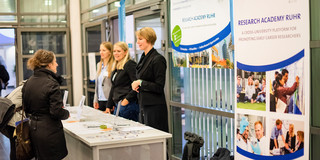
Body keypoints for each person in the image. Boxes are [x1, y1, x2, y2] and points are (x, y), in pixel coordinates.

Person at [22, 49, 70, 160]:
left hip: (33, 129)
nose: (57, 64)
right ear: (49, 65)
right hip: (50, 132)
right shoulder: (52, 83)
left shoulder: (28, 82)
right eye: (55, 61)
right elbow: (56, 112)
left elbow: (26, 107)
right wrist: (66, 113)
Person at [131, 27, 168, 132]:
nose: (137, 42)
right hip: (143, 105)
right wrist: (138, 85)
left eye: (140, 39)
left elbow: (159, 86)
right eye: (137, 39)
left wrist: (141, 83)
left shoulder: (158, 59)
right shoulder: (143, 58)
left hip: (154, 107)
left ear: (148, 39)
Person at [105, 42, 139, 121]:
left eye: (118, 51)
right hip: (118, 105)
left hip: (128, 105)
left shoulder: (130, 64)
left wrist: (126, 100)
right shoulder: (118, 66)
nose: (116, 53)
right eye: (114, 51)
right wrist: (109, 105)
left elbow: (136, 84)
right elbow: (114, 87)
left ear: (125, 52)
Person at [93, 42, 115, 112]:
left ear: (110, 52)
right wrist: (95, 99)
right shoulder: (99, 65)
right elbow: (97, 84)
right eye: (100, 50)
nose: (101, 52)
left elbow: (113, 85)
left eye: (104, 50)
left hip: (109, 99)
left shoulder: (114, 65)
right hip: (100, 99)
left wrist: (112, 102)